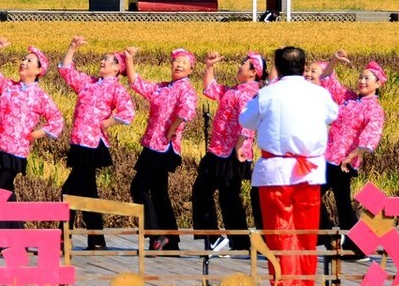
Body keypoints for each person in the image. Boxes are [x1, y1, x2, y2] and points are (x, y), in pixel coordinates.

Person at [239, 46, 338, 286]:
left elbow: (245, 120)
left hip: (275, 172)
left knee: (280, 232)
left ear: (278, 68)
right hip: (309, 172)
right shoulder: (319, 94)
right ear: (304, 67)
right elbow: (333, 115)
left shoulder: (268, 94)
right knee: (306, 233)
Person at [57, 37, 135, 249]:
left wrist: (106, 123)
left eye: (108, 60)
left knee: (69, 189)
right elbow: (66, 71)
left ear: (118, 68)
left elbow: (128, 113)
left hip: (93, 144)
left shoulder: (116, 88)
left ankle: (64, 235)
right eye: (102, 58)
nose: (102, 61)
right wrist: (72, 47)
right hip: (79, 141)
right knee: (87, 191)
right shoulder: (88, 83)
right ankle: (96, 238)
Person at [124, 47, 198, 251]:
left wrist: (171, 131)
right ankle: (171, 239)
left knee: (138, 187)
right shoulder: (163, 87)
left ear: (191, 69)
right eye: (176, 61)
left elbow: (186, 113)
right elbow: (136, 83)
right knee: (159, 192)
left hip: (163, 147)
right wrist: (129, 59)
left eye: (184, 62)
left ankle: (156, 233)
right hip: (152, 144)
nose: (179, 64)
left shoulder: (186, 89)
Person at [315, 50, 387, 256]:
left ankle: (340, 240)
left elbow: (370, 137)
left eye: (367, 78)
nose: (362, 81)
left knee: (334, 202)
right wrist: (334, 61)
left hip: (344, 163)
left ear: (378, 84)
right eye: (361, 77)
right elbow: (326, 78)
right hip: (329, 157)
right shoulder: (347, 98)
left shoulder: (374, 109)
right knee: (338, 203)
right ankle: (351, 244)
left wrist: (351, 156)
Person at [192, 51, 264, 252]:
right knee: (228, 196)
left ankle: (215, 237)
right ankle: (239, 242)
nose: (239, 65)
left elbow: (249, 122)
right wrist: (209, 66)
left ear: (254, 72)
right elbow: (210, 89)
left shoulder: (249, 93)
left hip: (232, 151)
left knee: (204, 191)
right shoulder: (235, 90)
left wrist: (241, 145)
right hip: (220, 149)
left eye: (244, 63)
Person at [0, 38, 64, 204]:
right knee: (5, 192)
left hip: (15, 150)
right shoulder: (8, 86)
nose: (23, 62)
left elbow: (57, 120)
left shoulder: (40, 96)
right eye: (23, 59)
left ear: (39, 70)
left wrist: (36, 134)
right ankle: (13, 228)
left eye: (29, 61)